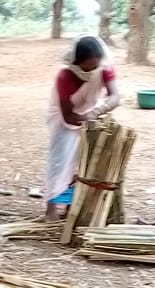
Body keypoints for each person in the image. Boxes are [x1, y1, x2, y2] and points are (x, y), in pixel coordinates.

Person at [43, 35, 120, 222]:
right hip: (63, 120)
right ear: (76, 63)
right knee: (61, 164)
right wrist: (86, 118)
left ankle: (71, 206)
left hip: (91, 114)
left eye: (95, 66)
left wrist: (98, 111)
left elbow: (115, 96)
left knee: (82, 165)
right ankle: (51, 209)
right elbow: (68, 115)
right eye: (87, 67)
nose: (92, 70)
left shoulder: (104, 67)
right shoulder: (65, 76)